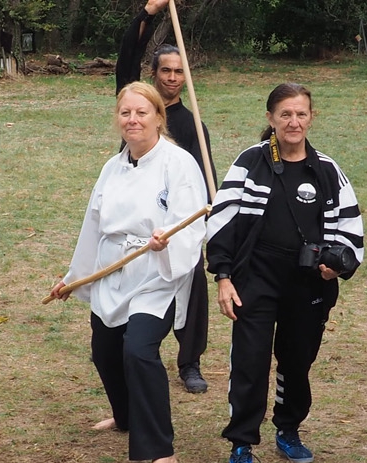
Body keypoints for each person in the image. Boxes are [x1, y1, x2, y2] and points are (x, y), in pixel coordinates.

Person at [205, 82, 365, 463]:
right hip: (255, 279)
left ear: (312, 117)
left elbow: (349, 227)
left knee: (297, 363)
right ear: (271, 118)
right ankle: (241, 444)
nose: (293, 122)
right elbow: (221, 221)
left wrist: (338, 265)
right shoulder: (251, 162)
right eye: (285, 115)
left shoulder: (327, 170)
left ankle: (288, 428)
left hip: (308, 284)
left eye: (301, 114)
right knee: (250, 364)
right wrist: (223, 276)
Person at [48, 82, 208, 463]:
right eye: (125, 113)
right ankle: (124, 417)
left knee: (138, 350)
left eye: (141, 112)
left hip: (157, 275)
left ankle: (162, 451)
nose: (132, 120)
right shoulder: (112, 167)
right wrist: (75, 279)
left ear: (159, 117)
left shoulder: (179, 163)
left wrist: (166, 240)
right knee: (104, 351)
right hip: (112, 270)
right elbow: (93, 227)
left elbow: (193, 224)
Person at [117, 0, 215, 394]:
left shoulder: (193, 126)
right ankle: (130, 345)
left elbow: (205, 182)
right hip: (138, 214)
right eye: (166, 71)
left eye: (179, 72)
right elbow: (127, 58)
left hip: (178, 217)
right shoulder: (137, 110)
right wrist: (148, 12)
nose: (173, 79)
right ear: (153, 74)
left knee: (191, 283)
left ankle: (190, 361)